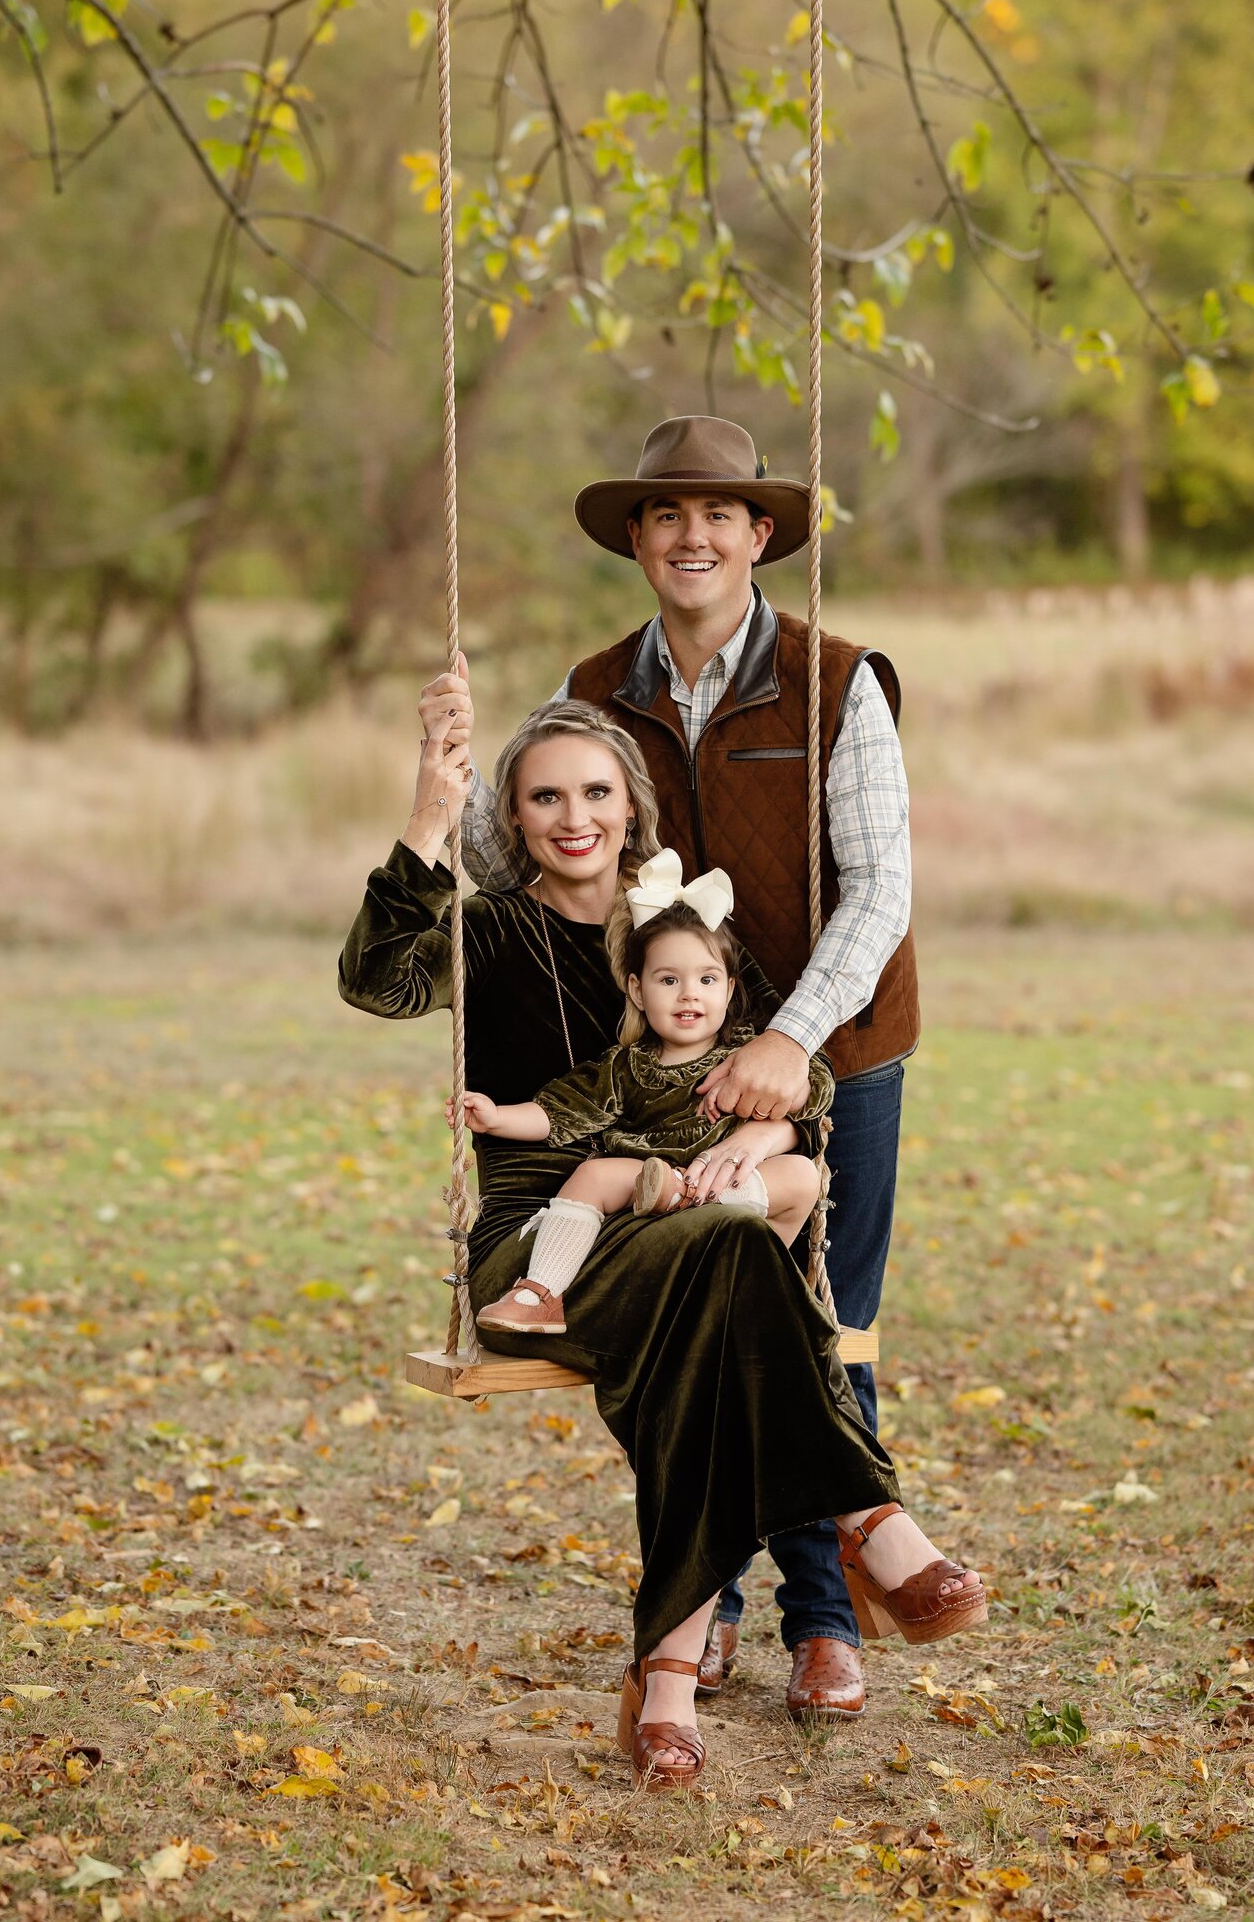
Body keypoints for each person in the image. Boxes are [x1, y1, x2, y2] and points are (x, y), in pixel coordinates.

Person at [339, 697, 982, 1790]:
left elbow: (786, 1086)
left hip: (687, 1221)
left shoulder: (684, 932)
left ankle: (669, 1679)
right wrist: (429, 815)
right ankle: (867, 1516)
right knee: (729, 1260)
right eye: (544, 796)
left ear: (630, 804)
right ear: (516, 812)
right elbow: (379, 981)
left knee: (708, 1310)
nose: (573, 816)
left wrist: (756, 1141)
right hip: (545, 1239)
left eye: (596, 791)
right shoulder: (492, 925)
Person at [419, 412, 919, 1721]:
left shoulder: (837, 679)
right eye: (665, 514)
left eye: (719, 514)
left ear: (761, 533)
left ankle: (824, 1620)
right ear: (637, 538)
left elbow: (880, 891)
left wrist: (787, 1039)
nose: (692, 535)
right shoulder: (598, 681)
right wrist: (459, 770)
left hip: (834, 1049)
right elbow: (512, 851)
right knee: (707, 1328)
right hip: (661, 1069)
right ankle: (712, 1617)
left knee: (818, 1319)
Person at [458, 850, 834, 1336]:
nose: (689, 994)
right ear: (637, 990)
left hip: (726, 1188)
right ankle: (540, 1293)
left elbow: (815, 1086)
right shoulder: (625, 1065)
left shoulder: (748, 1056)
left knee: (803, 1175)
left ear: (729, 988)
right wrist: (496, 1117)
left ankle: (757, 1284)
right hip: (649, 1179)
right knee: (594, 1175)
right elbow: (559, 1113)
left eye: (706, 979)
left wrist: (784, 1089)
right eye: (669, 980)